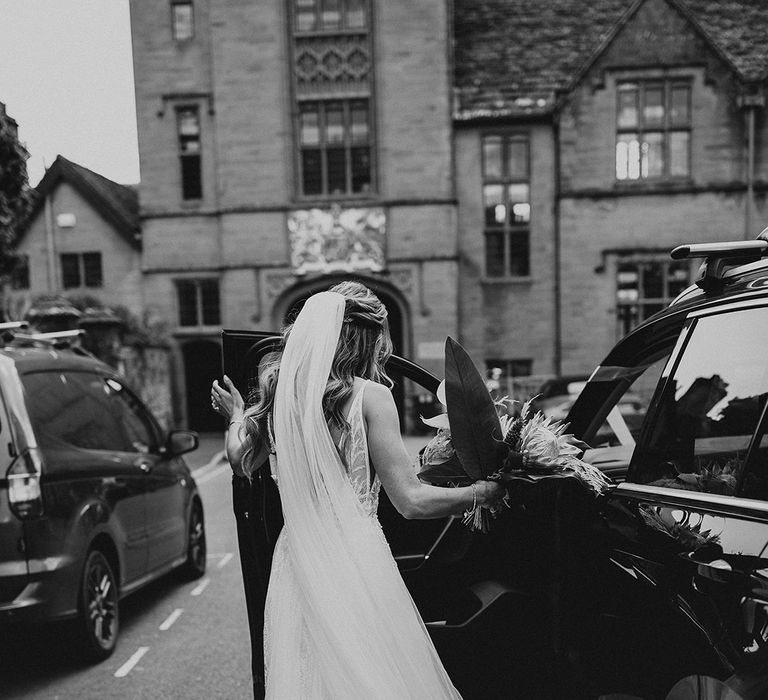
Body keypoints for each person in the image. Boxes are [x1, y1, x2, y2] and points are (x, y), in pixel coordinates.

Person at [212, 281, 504, 699]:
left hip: (295, 560)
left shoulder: (281, 400)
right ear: (368, 338)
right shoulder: (372, 397)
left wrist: (238, 414)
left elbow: (242, 461)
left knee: (308, 679)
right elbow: (411, 502)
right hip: (354, 558)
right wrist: (485, 492)